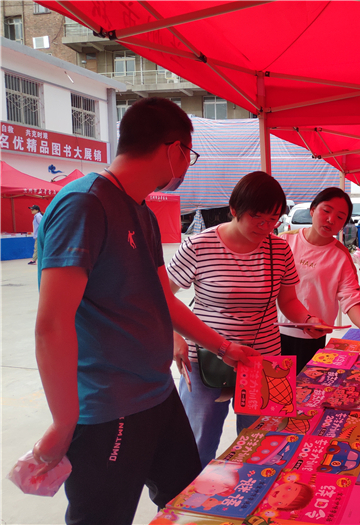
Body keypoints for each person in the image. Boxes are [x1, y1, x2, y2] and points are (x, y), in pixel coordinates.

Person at [31, 98, 259, 524]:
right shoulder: (84, 204)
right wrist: (64, 422)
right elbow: (52, 324)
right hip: (109, 407)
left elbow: (163, 300)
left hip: (157, 393)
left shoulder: (141, 212)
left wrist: (224, 347)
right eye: (189, 155)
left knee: (187, 502)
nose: (187, 165)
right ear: (174, 150)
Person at [167, 171, 329, 468]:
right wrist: (174, 336)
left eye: (273, 219)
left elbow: (288, 301)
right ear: (234, 209)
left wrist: (307, 320)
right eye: (257, 217)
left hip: (262, 361)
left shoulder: (279, 249)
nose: (265, 227)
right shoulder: (199, 246)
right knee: (198, 444)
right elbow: (161, 297)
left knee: (261, 444)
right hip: (206, 360)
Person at [278, 187, 360, 374]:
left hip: (311, 337)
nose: (331, 220)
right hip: (273, 334)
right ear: (312, 209)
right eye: (326, 211)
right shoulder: (284, 242)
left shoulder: (341, 255)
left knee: (304, 389)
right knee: (274, 388)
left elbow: (350, 297)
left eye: (340, 217)